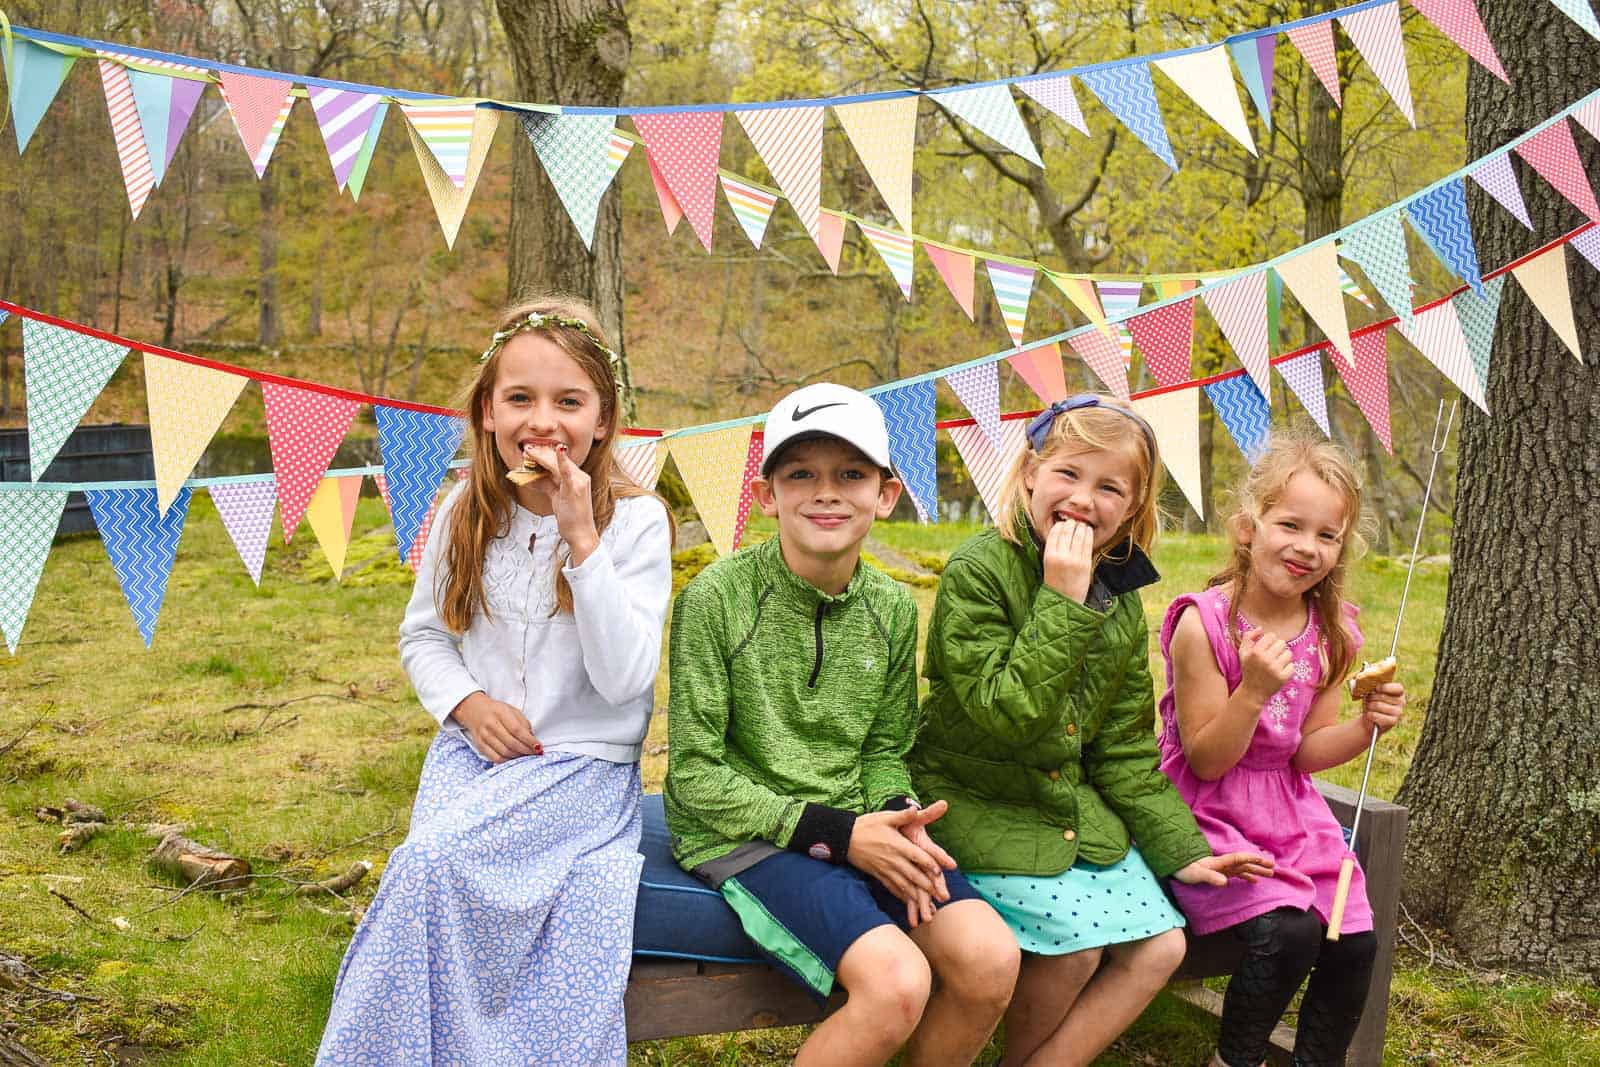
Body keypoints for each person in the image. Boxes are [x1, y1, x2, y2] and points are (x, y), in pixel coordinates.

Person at [317, 297, 674, 1065]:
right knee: (431, 875)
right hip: (472, 759)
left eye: (569, 401)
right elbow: (424, 636)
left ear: (604, 421)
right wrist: (468, 704)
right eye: (520, 398)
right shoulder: (463, 513)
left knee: (430, 865)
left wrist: (582, 536)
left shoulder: (637, 524)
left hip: (576, 772)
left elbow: (625, 680)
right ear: (487, 412)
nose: (543, 420)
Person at [665, 383, 1021, 1067]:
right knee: (897, 983)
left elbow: (886, 749)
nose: (826, 492)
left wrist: (896, 812)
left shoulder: (891, 606)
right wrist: (839, 834)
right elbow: (693, 778)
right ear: (766, 494)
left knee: (990, 957)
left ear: (886, 494)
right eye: (801, 473)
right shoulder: (717, 597)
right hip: (744, 835)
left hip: (857, 822)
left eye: (850, 474)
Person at [909, 393, 1270, 1067]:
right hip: (979, 802)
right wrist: (1062, 600)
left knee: (1162, 945)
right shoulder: (978, 571)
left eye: (1109, 486)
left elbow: (1126, 747)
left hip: (1067, 812)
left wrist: (1178, 847)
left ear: (1132, 509)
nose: (1083, 497)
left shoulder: (1122, 599)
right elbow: (1006, 711)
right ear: (1028, 479)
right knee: (1076, 944)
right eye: (1068, 474)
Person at [1157, 431, 1406, 1067]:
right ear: (1248, 526)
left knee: (1353, 939)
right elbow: (1207, 759)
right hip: (1206, 810)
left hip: (1289, 812)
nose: (1306, 548)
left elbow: (1302, 754)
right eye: (1289, 524)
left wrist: (1365, 727)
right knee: (1288, 929)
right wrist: (1253, 692)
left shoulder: (1330, 632)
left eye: (1327, 535)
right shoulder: (1203, 623)